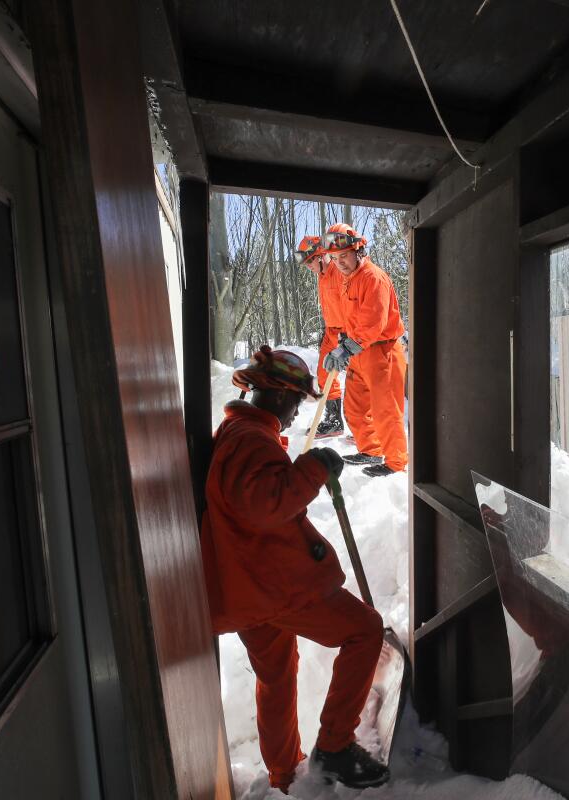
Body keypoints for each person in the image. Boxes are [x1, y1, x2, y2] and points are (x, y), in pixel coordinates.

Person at [200, 345, 389, 792]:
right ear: (279, 396)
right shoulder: (250, 440)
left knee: (277, 676)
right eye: (297, 401)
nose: (296, 411)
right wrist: (313, 468)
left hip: (247, 586)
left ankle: (284, 774)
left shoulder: (238, 430)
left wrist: (305, 468)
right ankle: (335, 747)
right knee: (364, 630)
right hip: (271, 585)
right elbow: (265, 506)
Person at [321, 223, 408, 478]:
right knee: (355, 407)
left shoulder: (373, 277)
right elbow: (352, 319)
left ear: (358, 250)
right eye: (335, 258)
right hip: (359, 352)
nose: (340, 263)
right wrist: (341, 344)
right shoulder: (349, 280)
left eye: (344, 256)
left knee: (386, 409)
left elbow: (372, 322)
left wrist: (346, 348)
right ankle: (371, 449)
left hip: (382, 352)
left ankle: (396, 461)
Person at [296, 235, 345, 439]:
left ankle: (370, 431)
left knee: (361, 380)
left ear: (320, 255)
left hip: (346, 331)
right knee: (324, 372)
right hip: (331, 330)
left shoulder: (339, 271)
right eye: (306, 264)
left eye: (309, 262)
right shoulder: (322, 275)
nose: (308, 267)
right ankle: (334, 421)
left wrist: (348, 336)